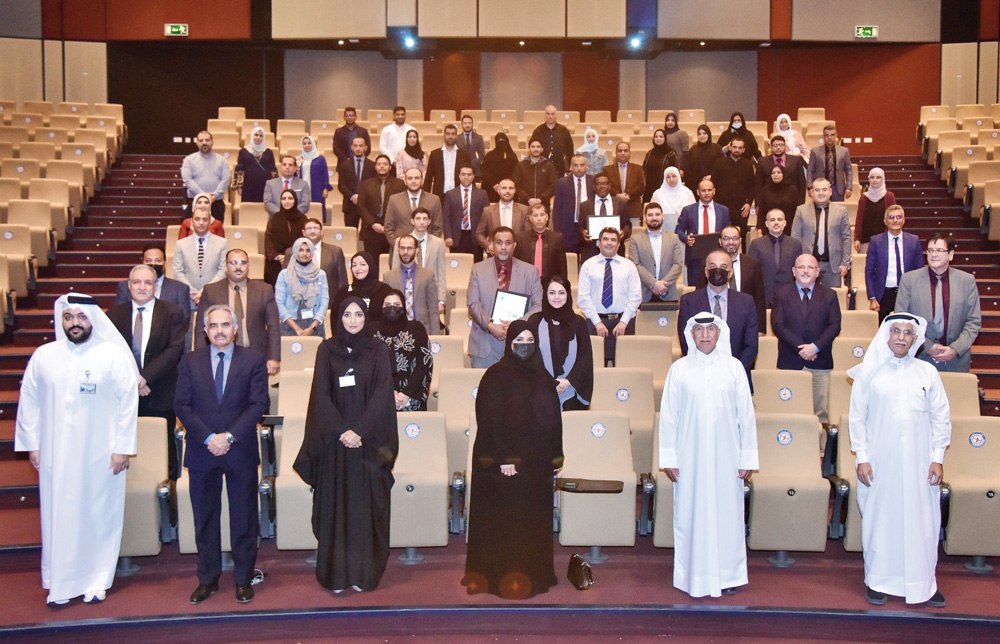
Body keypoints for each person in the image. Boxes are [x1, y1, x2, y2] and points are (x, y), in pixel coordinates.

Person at [16, 293, 138, 606]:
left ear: (92, 319)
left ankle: (96, 580)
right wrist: (32, 444)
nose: (75, 323)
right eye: (68, 317)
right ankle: (59, 581)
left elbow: (128, 402)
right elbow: (29, 399)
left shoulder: (111, 355)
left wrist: (122, 448)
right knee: (58, 516)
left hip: (101, 454)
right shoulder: (44, 355)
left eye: (81, 317)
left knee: (98, 515)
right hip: (56, 453)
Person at [293, 297, 398, 592]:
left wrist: (359, 431)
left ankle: (364, 573)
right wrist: (342, 431)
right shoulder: (326, 349)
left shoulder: (378, 349)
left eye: (358, 314)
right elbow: (321, 395)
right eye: (347, 315)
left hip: (367, 444)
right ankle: (335, 574)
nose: (353, 320)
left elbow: (382, 394)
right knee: (335, 509)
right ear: (338, 318)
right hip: (334, 445)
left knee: (364, 509)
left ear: (366, 317)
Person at [848, 313, 950, 608]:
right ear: (886, 335)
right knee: (882, 521)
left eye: (908, 333)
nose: (902, 337)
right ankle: (878, 581)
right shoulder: (870, 373)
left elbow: (941, 418)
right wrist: (862, 457)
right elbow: (857, 418)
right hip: (880, 463)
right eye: (896, 331)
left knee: (924, 523)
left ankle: (924, 584)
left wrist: (937, 458)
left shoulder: (927, 373)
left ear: (915, 339)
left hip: (921, 465)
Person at [462, 319, 563, 599]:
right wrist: (503, 459)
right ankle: (499, 578)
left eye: (530, 341)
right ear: (509, 343)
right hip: (504, 465)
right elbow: (489, 421)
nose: (525, 346)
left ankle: (536, 575)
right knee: (506, 522)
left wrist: (557, 456)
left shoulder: (543, 376)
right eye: (519, 341)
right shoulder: (495, 376)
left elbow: (554, 420)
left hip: (537, 464)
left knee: (531, 520)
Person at [176, 304, 269, 605]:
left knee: (244, 518)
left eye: (225, 325)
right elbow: (182, 406)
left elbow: (258, 405)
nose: (220, 330)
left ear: (235, 328)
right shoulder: (190, 362)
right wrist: (208, 438)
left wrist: (227, 437)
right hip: (202, 452)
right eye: (214, 325)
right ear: (205, 331)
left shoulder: (253, 360)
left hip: (239, 448)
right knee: (205, 518)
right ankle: (208, 579)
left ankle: (243, 579)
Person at [659, 314, 757, 598]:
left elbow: (746, 417)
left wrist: (747, 458)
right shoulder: (679, 369)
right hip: (689, 456)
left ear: (719, 333)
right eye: (699, 330)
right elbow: (668, 417)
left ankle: (729, 575)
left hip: (728, 456)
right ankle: (692, 575)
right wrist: (670, 458)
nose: (704, 335)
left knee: (727, 514)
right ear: (691, 334)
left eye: (710, 330)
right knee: (692, 513)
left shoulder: (735, 368)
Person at [108, 265, 188, 480]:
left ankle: (167, 498)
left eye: (148, 283)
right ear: (129, 285)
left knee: (163, 451)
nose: (142, 287)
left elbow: (174, 349)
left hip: (161, 391)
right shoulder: (114, 314)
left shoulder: (172, 312)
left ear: (155, 286)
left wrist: (145, 378)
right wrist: (134, 381)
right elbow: (112, 353)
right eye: (137, 282)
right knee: (128, 450)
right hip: (124, 395)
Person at [771, 254, 842, 424]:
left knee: (821, 411)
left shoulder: (830, 295)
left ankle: (819, 447)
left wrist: (814, 348)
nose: (805, 271)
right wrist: (801, 349)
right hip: (790, 361)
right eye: (801, 267)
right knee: (790, 408)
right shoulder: (781, 294)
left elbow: (834, 326)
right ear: (794, 271)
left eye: (810, 267)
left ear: (817, 272)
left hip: (820, 362)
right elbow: (778, 326)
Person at [895, 234, 982, 373]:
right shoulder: (909, 280)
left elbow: (974, 321)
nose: (933, 254)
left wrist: (955, 349)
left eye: (939, 250)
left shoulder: (967, 281)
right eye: (930, 250)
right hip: (919, 358)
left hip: (956, 361)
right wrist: (926, 345)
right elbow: (902, 318)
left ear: (951, 254)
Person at [679, 249, 759, 383]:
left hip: (736, 378)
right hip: (699, 377)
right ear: (706, 272)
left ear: (730, 273)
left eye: (723, 267)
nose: (718, 271)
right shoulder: (689, 301)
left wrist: (734, 371)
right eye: (713, 267)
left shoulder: (746, 302)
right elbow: (685, 341)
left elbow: (751, 345)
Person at [197, 248, 282, 376]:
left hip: (256, 356)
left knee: (255, 395)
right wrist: (201, 358)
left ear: (248, 266)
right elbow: (200, 328)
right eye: (233, 263)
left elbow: (273, 326)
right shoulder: (211, 291)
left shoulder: (264, 290)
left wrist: (274, 357)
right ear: (226, 266)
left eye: (243, 263)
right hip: (221, 355)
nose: (238, 267)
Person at [467, 227, 544, 368]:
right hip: (485, 345)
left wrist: (517, 324)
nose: (503, 247)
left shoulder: (530, 271)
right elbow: (473, 304)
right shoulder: (478, 269)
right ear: (492, 245)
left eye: (508, 243)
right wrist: (490, 326)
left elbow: (538, 305)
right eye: (499, 242)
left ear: (514, 245)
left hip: (519, 345)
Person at [528, 275, 594, 410]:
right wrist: (550, 382)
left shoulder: (579, 322)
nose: (556, 297)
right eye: (552, 292)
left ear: (568, 295)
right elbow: (530, 358)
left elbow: (585, 358)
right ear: (545, 295)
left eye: (561, 292)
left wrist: (568, 381)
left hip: (570, 390)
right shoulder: (534, 321)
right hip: (541, 391)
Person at [578, 228, 642, 364]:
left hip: (624, 323)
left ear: (619, 244)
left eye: (613, 240)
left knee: (625, 366)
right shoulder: (588, 266)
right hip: (596, 323)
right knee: (595, 366)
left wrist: (624, 322)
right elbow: (583, 298)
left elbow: (635, 296)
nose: (609, 243)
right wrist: (597, 322)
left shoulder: (629, 266)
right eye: (605, 239)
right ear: (599, 243)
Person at [698, 226, 766, 332]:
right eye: (726, 238)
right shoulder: (708, 264)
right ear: (720, 241)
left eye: (734, 238)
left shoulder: (753, 263)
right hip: (716, 321)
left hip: (745, 322)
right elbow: (700, 295)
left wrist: (761, 329)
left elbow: (759, 297)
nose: (731, 242)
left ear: (740, 240)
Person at [375, 290, 433, 411]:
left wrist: (406, 394)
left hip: (412, 397)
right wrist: (388, 394)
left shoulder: (416, 328)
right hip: (380, 398)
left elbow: (424, 363)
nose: (391, 308)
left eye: (397, 305)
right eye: (387, 305)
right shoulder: (372, 331)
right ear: (381, 307)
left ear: (404, 307)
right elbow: (369, 366)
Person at [865, 205, 924, 324]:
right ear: (885, 221)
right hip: (884, 293)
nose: (895, 220)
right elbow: (869, 271)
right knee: (883, 329)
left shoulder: (914, 240)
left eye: (898, 217)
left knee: (908, 326)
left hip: (907, 292)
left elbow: (920, 270)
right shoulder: (876, 241)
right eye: (891, 217)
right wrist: (872, 298)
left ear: (904, 220)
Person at [791, 178, 852, 288]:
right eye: (817, 190)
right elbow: (795, 237)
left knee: (831, 300)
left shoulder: (841, 211)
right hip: (807, 266)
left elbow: (846, 237)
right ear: (812, 192)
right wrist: (798, 262)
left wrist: (845, 263)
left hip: (833, 266)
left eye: (824, 189)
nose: (821, 193)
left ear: (830, 191)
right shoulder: (801, 210)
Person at [115, 243, 192, 328]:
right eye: (148, 261)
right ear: (142, 262)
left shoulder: (180, 288)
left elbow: (183, 320)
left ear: (165, 263)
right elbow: (118, 316)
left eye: (158, 260)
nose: (153, 263)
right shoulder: (125, 286)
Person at [173, 206, 229, 315]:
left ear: (210, 222)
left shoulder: (222, 243)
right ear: (191, 222)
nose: (201, 223)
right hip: (188, 298)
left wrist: (206, 291)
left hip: (214, 298)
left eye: (205, 219)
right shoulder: (180, 244)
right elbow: (178, 271)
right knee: (189, 331)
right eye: (197, 219)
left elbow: (223, 270)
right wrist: (192, 293)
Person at [627, 202, 685, 303]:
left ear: (663, 217)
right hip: (644, 294)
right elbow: (635, 265)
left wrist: (662, 285)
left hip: (668, 292)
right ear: (645, 218)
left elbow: (678, 264)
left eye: (657, 214)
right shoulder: (635, 239)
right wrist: (653, 284)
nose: (654, 218)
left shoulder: (673, 238)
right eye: (650, 215)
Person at [676, 180, 731, 285]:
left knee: (718, 287)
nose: (707, 193)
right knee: (695, 290)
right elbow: (678, 230)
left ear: (714, 191)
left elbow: (728, 231)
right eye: (703, 190)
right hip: (695, 258)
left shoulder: (723, 210)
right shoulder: (688, 210)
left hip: (718, 257)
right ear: (698, 192)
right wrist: (686, 238)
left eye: (709, 190)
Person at [384, 234, 441, 335]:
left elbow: (433, 310)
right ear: (398, 250)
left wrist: (435, 337)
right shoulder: (388, 277)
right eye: (402, 248)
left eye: (409, 248)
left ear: (417, 250)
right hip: (396, 331)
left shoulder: (428, 275)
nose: (405, 252)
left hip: (423, 330)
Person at [747, 209, 803, 308]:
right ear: (766, 223)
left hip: (789, 297)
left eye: (779, 219)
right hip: (764, 296)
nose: (776, 222)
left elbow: (799, 272)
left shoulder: (795, 244)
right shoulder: (756, 244)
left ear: (785, 223)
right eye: (772, 220)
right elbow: (751, 272)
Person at [276, 237, 329, 338]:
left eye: (308, 250)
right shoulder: (284, 274)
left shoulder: (320, 274)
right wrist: (297, 328)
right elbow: (279, 303)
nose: (304, 253)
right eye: (301, 250)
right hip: (289, 325)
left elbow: (324, 302)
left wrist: (312, 327)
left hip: (314, 326)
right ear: (295, 251)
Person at [284, 217, 349, 298]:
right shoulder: (291, 252)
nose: (312, 231)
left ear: (322, 232)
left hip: (329, 301)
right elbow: (285, 281)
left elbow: (342, 282)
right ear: (303, 232)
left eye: (316, 228)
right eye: (309, 228)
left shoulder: (335, 252)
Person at [383, 167, 444, 248]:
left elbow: (438, 228)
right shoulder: (394, 200)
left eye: (417, 178)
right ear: (405, 181)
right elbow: (388, 227)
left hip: (427, 250)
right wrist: (399, 246)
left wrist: (428, 246)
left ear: (422, 180)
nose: (413, 181)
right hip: (401, 251)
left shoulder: (434, 200)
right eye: (410, 178)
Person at [358, 154, 405, 257]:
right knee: (373, 265)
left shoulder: (400, 184)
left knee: (391, 264)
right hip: (371, 231)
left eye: (385, 164)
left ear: (390, 167)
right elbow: (361, 207)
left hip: (393, 230)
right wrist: (373, 224)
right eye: (379, 164)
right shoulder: (365, 184)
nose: (382, 166)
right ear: (375, 167)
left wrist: (389, 225)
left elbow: (403, 206)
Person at [332, 251, 394, 327]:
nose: (358, 268)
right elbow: (335, 322)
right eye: (354, 265)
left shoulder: (384, 291)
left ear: (370, 266)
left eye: (363, 264)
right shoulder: (343, 293)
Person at [710, 137, 756, 238]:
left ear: (743, 150)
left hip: (741, 209)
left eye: (740, 148)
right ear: (729, 147)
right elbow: (713, 185)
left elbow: (752, 187)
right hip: (721, 207)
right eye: (734, 147)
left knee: (740, 236)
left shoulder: (748, 165)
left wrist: (748, 204)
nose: (737, 150)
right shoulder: (719, 163)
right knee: (721, 236)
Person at [578, 173, 630, 262]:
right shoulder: (585, 205)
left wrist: (624, 232)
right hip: (592, 251)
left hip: (615, 250)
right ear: (594, 187)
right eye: (599, 184)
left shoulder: (621, 204)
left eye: (605, 183)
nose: (602, 186)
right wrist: (583, 232)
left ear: (609, 186)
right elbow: (579, 227)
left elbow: (627, 224)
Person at [180, 131, 231, 222]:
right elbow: (187, 180)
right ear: (197, 143)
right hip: (195, 203)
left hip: (216, 203)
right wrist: (203, 197)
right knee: (193, 234)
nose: (204, 142)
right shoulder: (189, 160)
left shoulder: (222, 160)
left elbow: (225, 180)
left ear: (212, 142)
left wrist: (213, 197)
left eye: (207, 140)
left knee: (216, 234)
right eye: (201, 140)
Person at [443, 163, 490, 260]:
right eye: (463, 174)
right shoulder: (450, 194)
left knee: (476, 268)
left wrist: (484, 236)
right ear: (459, 176)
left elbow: (486, 217)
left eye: (469, 174)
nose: (466, 177)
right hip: (456, 238)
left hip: (476, 238)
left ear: (473, 176)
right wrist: (448, 236)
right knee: (457, 267)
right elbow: (446, 217)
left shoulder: (482, 194)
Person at [552, 154, 595, 256]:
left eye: (582, 165)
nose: (579, 168)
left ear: (586, 166)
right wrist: (558, 231)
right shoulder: (561, 183)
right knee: (570, 260)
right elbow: (557, 209)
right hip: (568, 228)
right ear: (571, 167)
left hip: (587, 227)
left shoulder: (593, 181)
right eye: (575, 165)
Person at [513, 202, 568, 282]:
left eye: (542, 215)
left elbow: (562, 267)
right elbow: (515, 265)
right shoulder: (520, 238)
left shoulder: (557, 238)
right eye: (535, 215)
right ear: (530, 219)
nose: (539, 218)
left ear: (547, 217)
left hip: (550, 284)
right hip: (526, 283)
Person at [264, 189, 308, 285]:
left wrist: (290, 256)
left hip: (297, 260)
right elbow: (269, 240)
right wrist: (278, 256)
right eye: (284, 199)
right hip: (276, 262)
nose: (287, 201)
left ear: (295, 200)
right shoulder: (274, 219)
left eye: (290, 198)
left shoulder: (303, 219)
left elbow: (304, 241)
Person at [476, 178, 531, 253]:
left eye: (510, 188)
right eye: (504, 188)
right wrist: (489, 246)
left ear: (515, 191)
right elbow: (479, 234)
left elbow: (528, 234)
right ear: (498, 190)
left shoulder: (524, 210)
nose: (507, 191)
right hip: (494, 255)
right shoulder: (488, 211)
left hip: (518, 255)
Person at [756, 135, 807, 213]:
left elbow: (802, 184)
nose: (778, 147)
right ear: (771, 147)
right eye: (775, 145)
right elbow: (758, 184)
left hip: (791, 202)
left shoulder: (796, 160)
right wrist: (758, 204)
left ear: (785, 146)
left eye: (781, 145)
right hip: (769, 202)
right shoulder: (762, 162)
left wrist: (801, 204)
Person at [423, 123, 471, 199]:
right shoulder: (435, 154)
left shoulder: (464, 154)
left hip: (459, 196)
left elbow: (469, 175)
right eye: (448, 134)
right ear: (444, 136)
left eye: (453, 134)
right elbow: (428, 177)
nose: (450, 136)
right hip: (439, 196)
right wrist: (424, 197)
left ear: (456, 136)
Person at [854, 168, 897, 253]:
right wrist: (857, 238)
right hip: (866, 240)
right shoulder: (863, 198)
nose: (875, 180)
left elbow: (893, 218)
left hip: (884, 240)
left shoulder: (889, 196)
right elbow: (859, 220)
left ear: (883, 179)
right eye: (872, 177)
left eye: (878, 177)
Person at [337, 137, 375, 228]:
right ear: (352, 147)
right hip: (350, 204)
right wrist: (352, 196)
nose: (358, 148)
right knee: (350, 233)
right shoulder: (344, 165)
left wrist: (362, 196)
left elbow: (374, 185)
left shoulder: (372, 165)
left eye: (361, 146)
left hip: (367, 205)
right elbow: (341, 185)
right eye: (355, 146)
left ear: (366, 148)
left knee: (368, 234)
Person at [807, 125, 853, 202]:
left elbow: (849, 170)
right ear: (823, 137)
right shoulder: (815, 151)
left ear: (836, 136)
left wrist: (849, 187)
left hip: (837, 188)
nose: (829, 137)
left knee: (837, 212)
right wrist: (809, 186)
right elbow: (810, 170)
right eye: (827, 135)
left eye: (832, 135)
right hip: (820, 188)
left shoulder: (844, 151)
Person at [603, 141, 645, 223]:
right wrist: (617, 195)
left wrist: (627, 195)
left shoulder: (638, 168)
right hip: (614, 209)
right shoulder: (607, 169)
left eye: (625, 150)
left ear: (629, 153)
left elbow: (641, 187)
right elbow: (605, 186)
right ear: (616, 153)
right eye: (620, 150)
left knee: (634, 234)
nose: (623, 153)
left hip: (633, 209)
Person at [513, 138, 557, 211]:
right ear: (529, 149)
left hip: (544, 205)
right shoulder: (520, 166)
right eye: (533, 147)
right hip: (525, 205)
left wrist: (541, 199)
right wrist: (528, 199)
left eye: (538, 147)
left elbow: (553, 185)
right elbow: (516, 185)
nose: (535, 149)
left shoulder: (549, 166)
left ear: (542, 149)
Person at [235, 126, 277, 204]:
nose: (258, 137)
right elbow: (239, 169)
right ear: (252, 136)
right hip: (248, 185)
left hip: (265, 186)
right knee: (249, 209)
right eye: (256, 135)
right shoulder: (244, 151)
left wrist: (274, 187)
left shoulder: (269, 152)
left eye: (261, 136)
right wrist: (239, 186)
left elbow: (273, 170)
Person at [530, 104, 575, 175]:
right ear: (545, 115)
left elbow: (569, 150)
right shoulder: (538, 131)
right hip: (542, 169)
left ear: (556, 115)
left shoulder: (564, 131)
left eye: (552, 114)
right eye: (548, 114)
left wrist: (570, 166)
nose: (550, 116)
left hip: (560, 169)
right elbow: (533, 149)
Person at [297, 135, 333, 223]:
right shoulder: (299, 158)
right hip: (303, 187)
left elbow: (325, 174)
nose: (307, 145)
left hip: (317, 187)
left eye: (309, 143)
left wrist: (325, 188)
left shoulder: (320, 158)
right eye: (304, 143)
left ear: (313, 144)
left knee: (317, 208)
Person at [755, 164, 801, 232]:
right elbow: (761, 212)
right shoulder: (765, 190)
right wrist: (759, 230)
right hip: (769, 229)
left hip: (789, 228)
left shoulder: (792, 190)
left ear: (784, 174)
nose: (776, 175)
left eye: (779, 172)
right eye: (773, 173)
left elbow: (797, 211)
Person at [649, 166, 695, 233]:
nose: (671, 179)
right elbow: (651, 214)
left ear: (678, 177)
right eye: (668, 177)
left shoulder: (687, 192)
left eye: (674, 176)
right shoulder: (657, 194)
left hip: (684, 232)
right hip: (663, 231)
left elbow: (694, 213)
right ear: (665, 178)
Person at [683, 125, 724, 193]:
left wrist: (712, 176)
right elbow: (688, 170)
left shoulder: (717, 148)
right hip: (696, 188)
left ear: (709, 134)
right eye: (699, 134)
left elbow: (721, 167)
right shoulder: (693, 150)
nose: (701, 136)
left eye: (704, 133)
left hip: (714, 186)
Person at [480, 132, 518, 202]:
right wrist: (494, 184)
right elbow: (485, 172)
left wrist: (506, 184)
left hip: (508, 188)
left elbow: (516, 172)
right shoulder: (490, 155)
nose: (501, 143)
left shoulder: (512, 156)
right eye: (499, 141)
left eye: (503, 141)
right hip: (492, 189)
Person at [456, 114, 486, 180]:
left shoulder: (479, 138)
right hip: (461, 171)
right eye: (465, 123)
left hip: (476, 171)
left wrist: (472, 165)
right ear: (462, 125)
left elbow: (481, 154)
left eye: (469, 123)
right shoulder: (457, 138)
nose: (467, 125)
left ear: (472, 124)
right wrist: (464, 166)